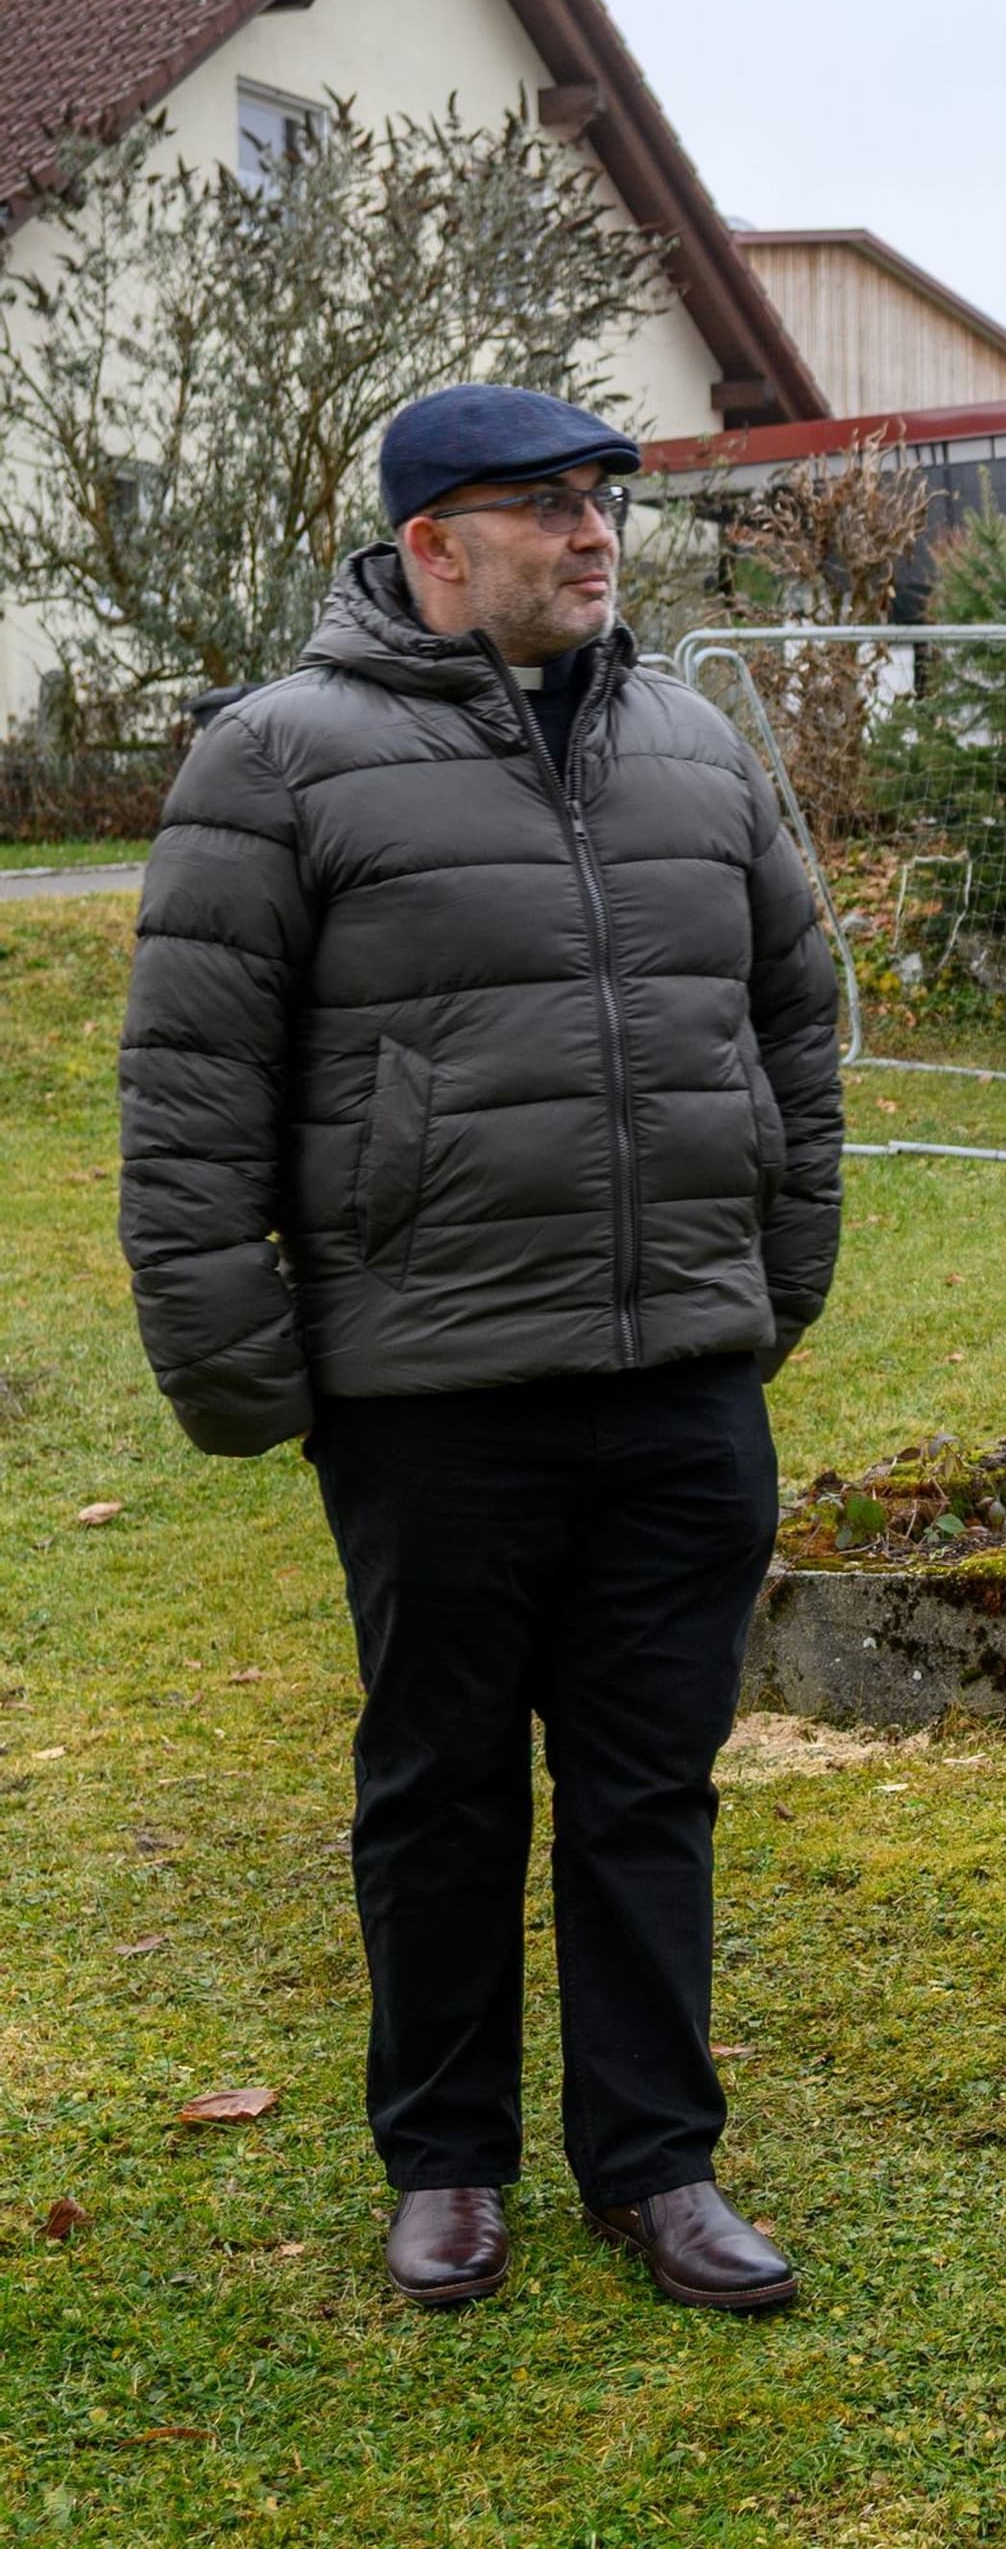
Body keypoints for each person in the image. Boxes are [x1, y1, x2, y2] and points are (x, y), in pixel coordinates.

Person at [118, 383, 841, 2309]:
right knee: (440, 1783)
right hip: (431, 1389)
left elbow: (797, 1022)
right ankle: (445, 2163)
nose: (594, 533)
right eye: (543, 505)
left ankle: (657, 2165)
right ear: (433, 544)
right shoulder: (277, 759)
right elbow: (193, 1096)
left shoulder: (696, 740)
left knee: (648, 1786)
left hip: (680, 1378)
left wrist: (777, 1278)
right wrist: (237, 1365)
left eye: (605, 498)